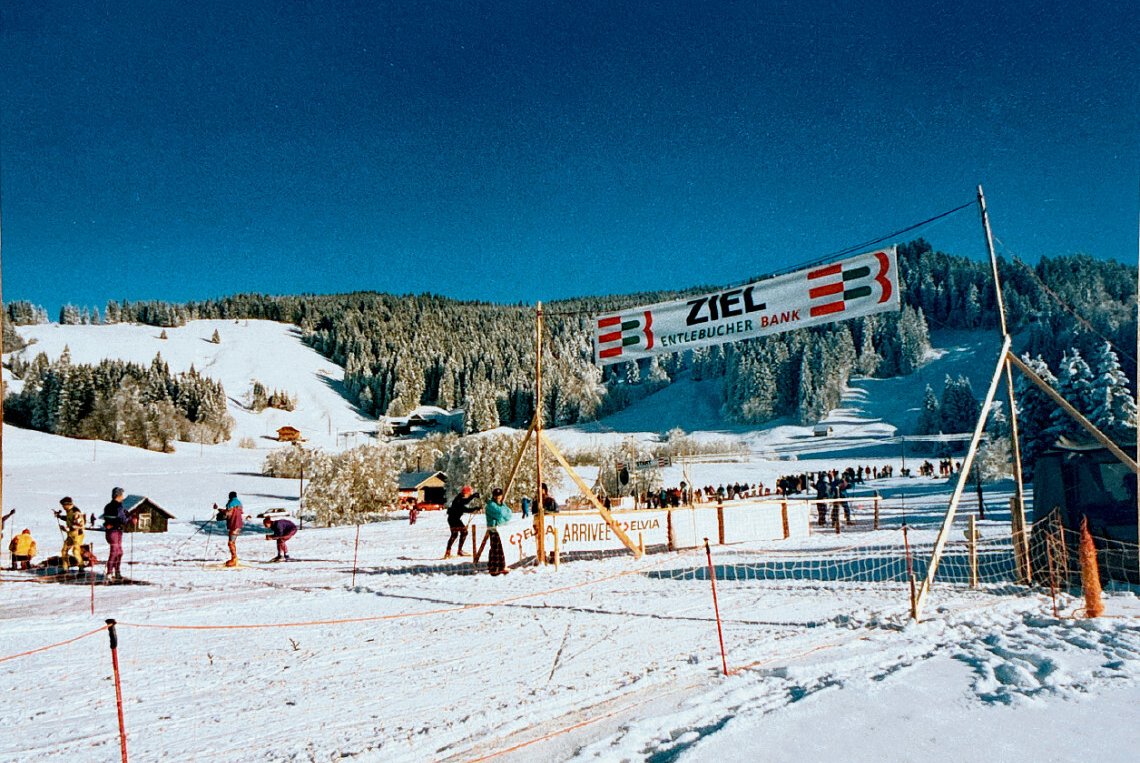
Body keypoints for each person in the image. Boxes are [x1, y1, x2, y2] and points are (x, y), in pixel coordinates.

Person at [103, 487, 133, 580]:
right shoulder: (119, 507)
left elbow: (107, 518)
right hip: (116, 531)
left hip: (110, 532)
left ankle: (114, 572)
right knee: (116, 552)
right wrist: (131, 519)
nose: (123, 497)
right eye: (122, 495)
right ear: (118, 495)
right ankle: (112, 573)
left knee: (117, 552)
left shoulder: (107, 506)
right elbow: (123, 519)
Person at [444, 486, 480, 559]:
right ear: (466, 493)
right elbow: (465, 507)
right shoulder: (459, 499)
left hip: (453, 519)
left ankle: (449, 551)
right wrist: (475, 506)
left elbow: (465, 502)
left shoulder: (460, 498)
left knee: (455, 534)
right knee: (463, 532)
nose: (469, 495)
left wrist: (473, 497)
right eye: (469, 494)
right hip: (454, 519)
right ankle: (457, 551)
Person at [484, 488, 512, 576]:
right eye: (496, 495)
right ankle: (494, 568)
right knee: (495, 549)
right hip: (494, 529)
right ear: (493, 496)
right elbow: (500, 514)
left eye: (499, 495)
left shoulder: (502, 504)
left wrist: (503, 515)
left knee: (501, 548)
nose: (498, 497)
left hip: (501, 529)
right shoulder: (490, 505)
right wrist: (503, 516)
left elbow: (509, 514)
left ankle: (501, 566)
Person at [54, 497, 86, 571]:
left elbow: (78, 525)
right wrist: (60, 517)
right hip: (71, 534)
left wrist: (67, 528)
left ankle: (81, 568)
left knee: (75, 551)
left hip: (78, 535)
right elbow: (69, 518)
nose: (63, 507)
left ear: (67, 504)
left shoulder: (76, 512)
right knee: (64, 551)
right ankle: (65, 568)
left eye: (63, 505)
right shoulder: (69, 511)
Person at [221, 491, 244, 567]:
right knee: (232, 542)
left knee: (231, 542)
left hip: (234, 525)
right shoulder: (239, 503)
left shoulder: (230, 503)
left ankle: (234, 559)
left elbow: (228, 514)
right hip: (239, 524)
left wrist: (221, 511)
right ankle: (234, 558)